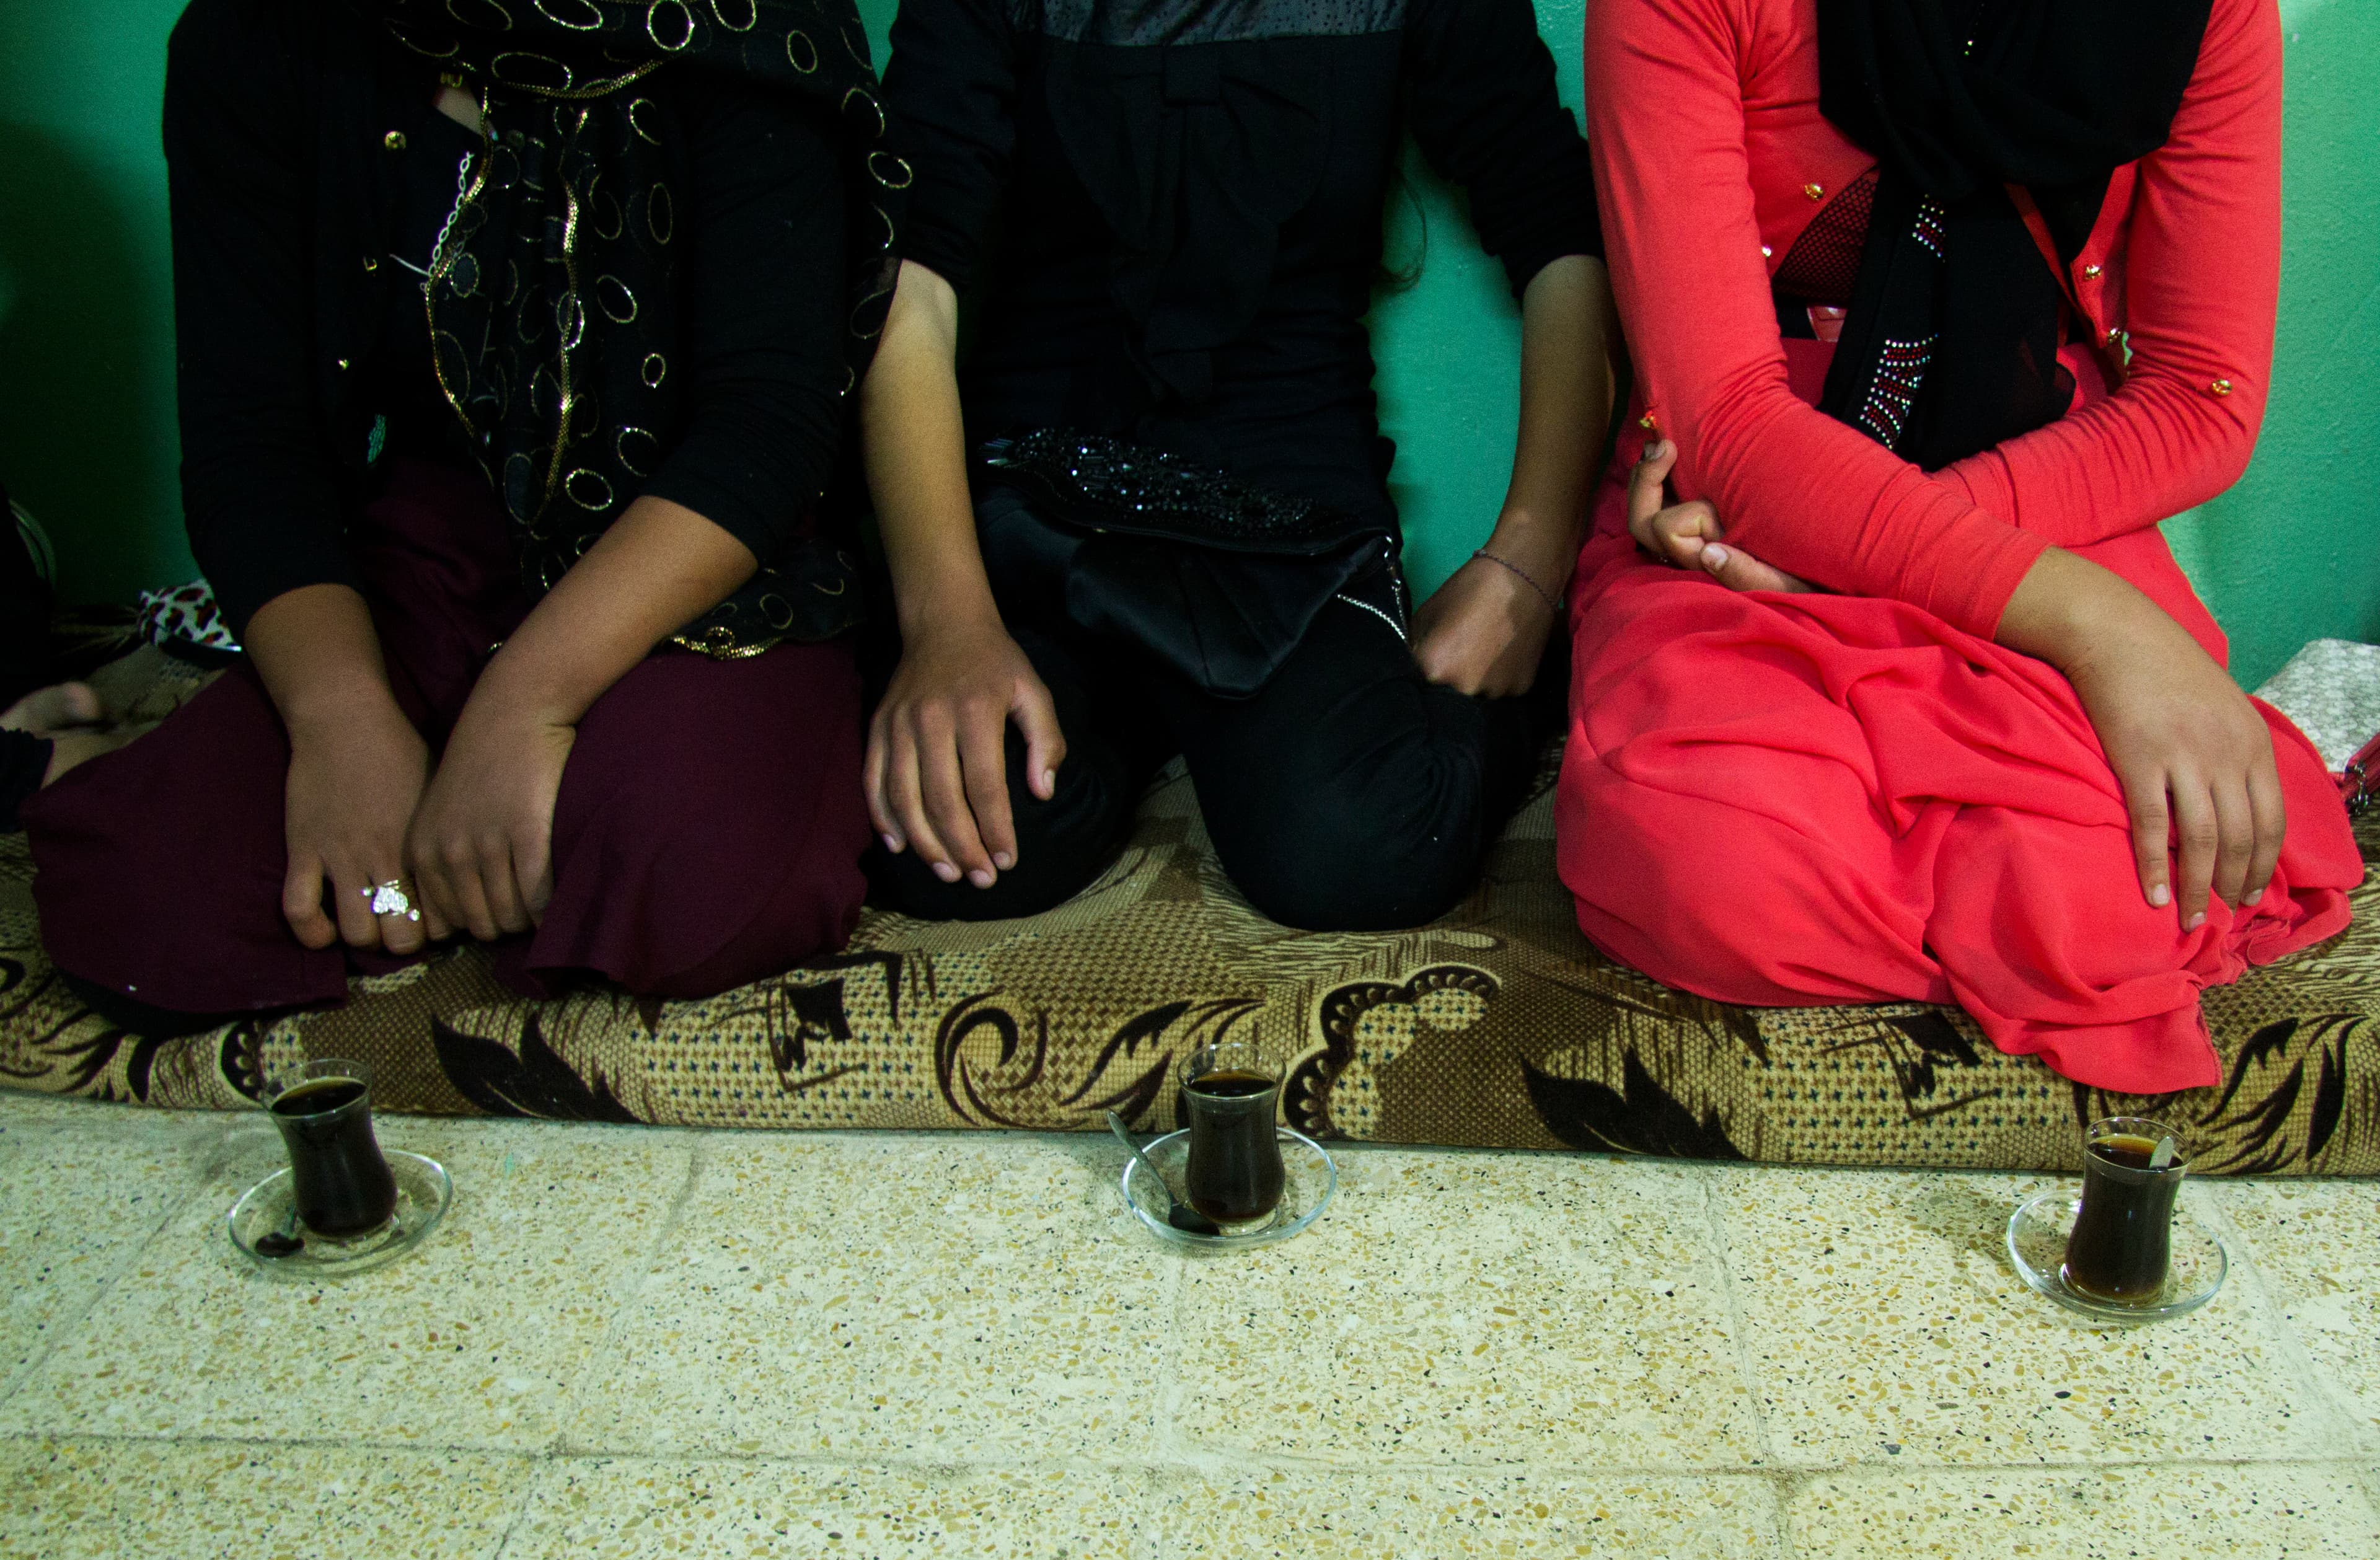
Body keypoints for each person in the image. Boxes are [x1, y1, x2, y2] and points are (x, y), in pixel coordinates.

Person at [21, 0, 908, 1031]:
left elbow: (769, 426)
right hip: (428, 551)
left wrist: (519, 710)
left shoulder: (744, 23)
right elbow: (251, 440)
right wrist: (341, 725)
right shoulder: (258, 38)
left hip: (692, 555)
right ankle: (421, 887)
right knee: (144, 892)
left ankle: (475, 863)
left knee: (693, 871)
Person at [1556, 0, 2361, 1091]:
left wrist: (1867, 542)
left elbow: (2198, 403)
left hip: (2044, 499)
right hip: (1742, 519)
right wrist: (2094, 622)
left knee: (2128, 893)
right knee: (1713, 865)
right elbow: (1732, 425)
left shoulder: (2205, 12)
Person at [858, 0, 1614, 930]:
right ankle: (1137, 705)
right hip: (1039, 507)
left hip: (1291, 523)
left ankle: (1237, 709)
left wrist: (1530, 568)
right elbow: (908, 281)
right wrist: (945, 621)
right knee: (960, 847)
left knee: (1354, 848)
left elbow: (1561, 234)